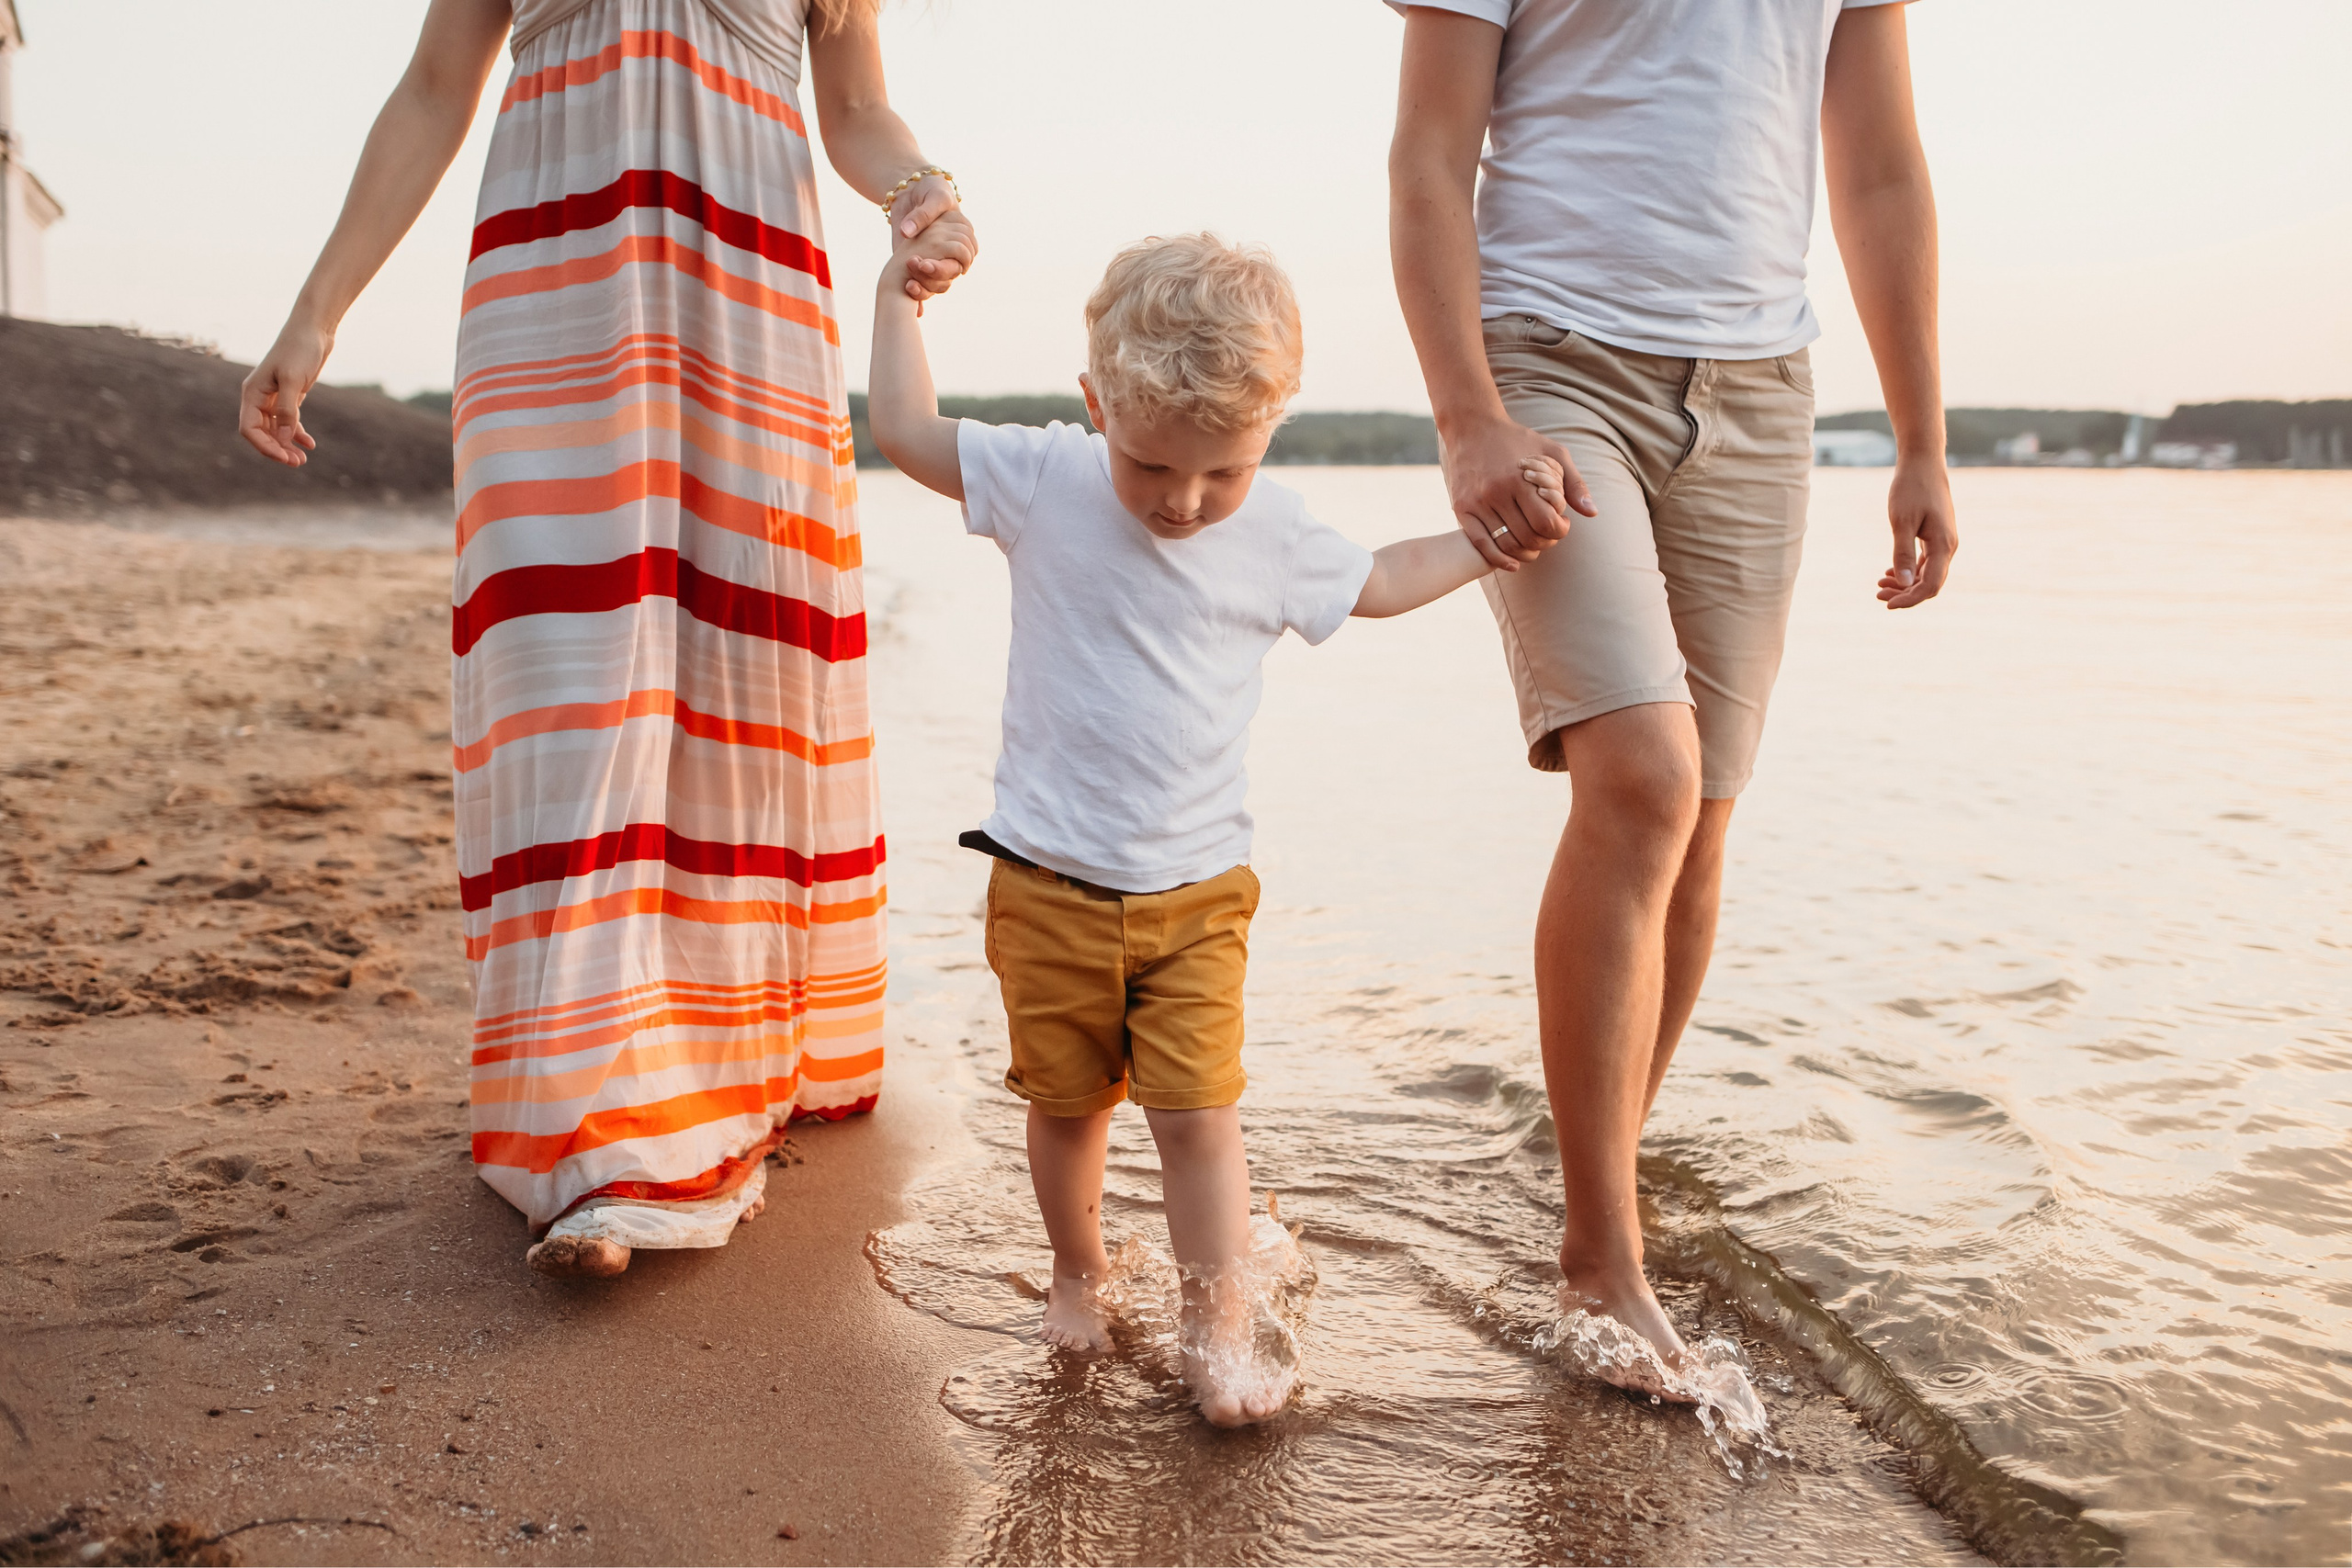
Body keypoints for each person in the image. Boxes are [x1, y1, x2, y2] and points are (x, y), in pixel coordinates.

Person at [236, 0, 977, 1278]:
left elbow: (854, 109)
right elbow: (431, 89)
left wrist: (922, 193)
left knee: (732, 690)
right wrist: (317, 314)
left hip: (747, 305)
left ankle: (700, 1071)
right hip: (547, 298)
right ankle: (605, 1123)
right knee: (566, 682)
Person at [865, 230, 1566, 1425]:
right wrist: (897, 298)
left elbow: (1384, 580)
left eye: (1220, 476)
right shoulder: (1046, 479)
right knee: (1067, 1105)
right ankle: (1079, 1274)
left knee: (1199, 1119)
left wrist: (1490, 542)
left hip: (1197, 899)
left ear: (1268, 440)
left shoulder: (1278, 533)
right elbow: (907, 434)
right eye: (1151, 469)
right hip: (1046, 885)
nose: (1184, 503)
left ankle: (1217, 1327)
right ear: (1096, 407)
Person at [1386, 0, 1958, 1379]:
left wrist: (1923, 439)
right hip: (1550, 365)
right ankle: (1600, 1266)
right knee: (1640, 774)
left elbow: (1877, 166)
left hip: (1763, 394)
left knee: (1701, 811)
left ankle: (1594, 1196)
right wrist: (1469, 419)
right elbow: (1426, 154)